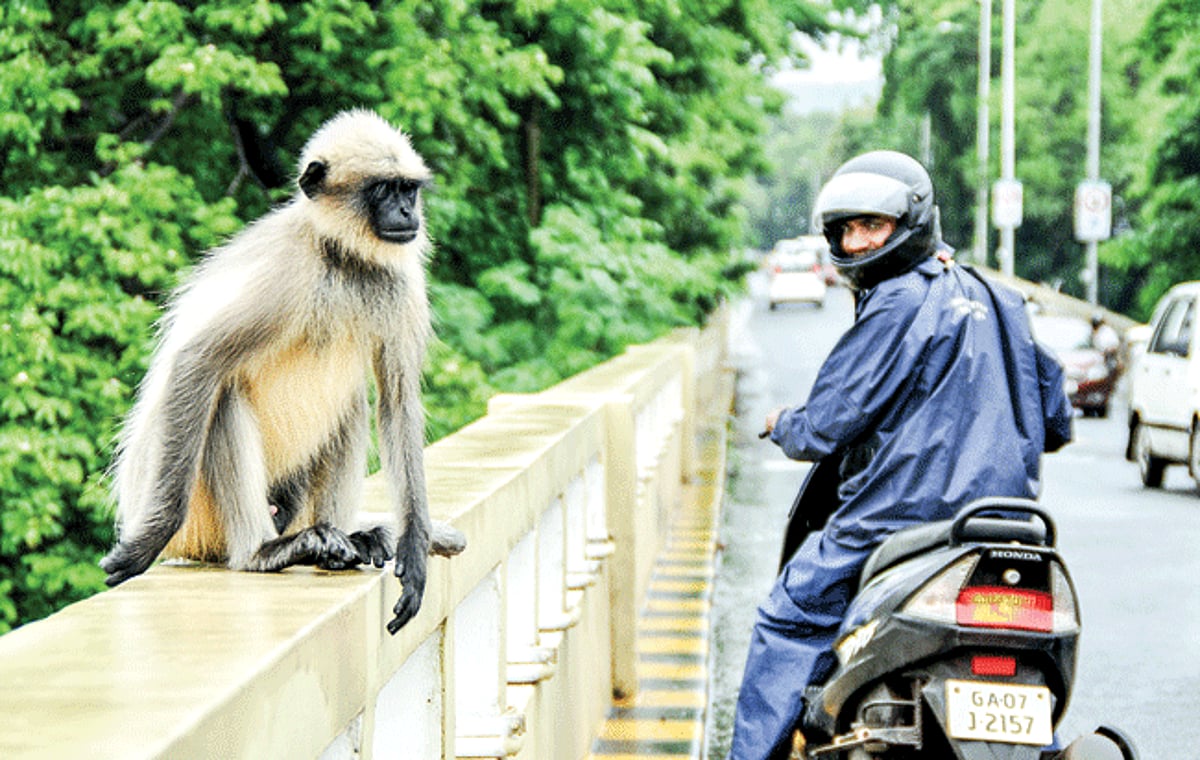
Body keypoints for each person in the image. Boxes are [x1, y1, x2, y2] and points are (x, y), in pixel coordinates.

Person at [729, 150, 1073, 760]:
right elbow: (1056, 420)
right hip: (1005, 530)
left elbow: (827, 425)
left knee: (787, 618)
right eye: (847, 230)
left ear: (910, 223)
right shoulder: (1001, 299)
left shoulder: (897, 300)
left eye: (873, 227)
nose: (858, 243)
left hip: (894, 523)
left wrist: (782, 423)